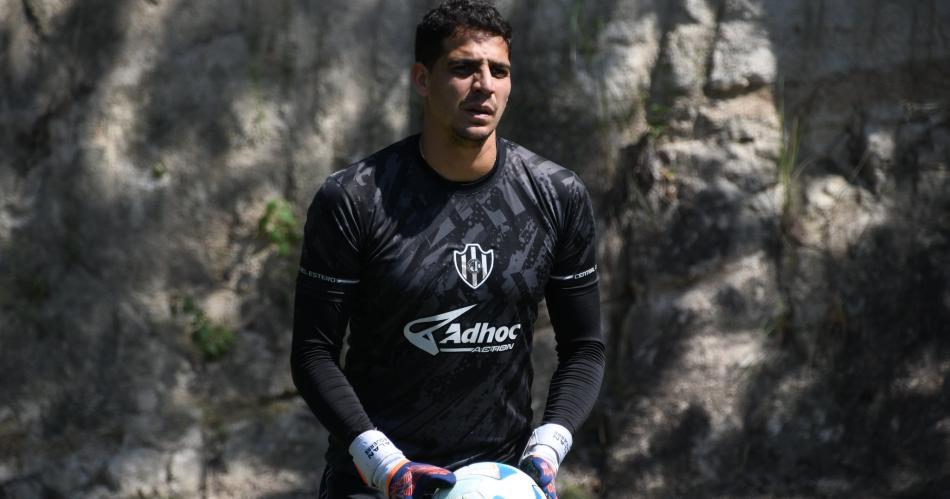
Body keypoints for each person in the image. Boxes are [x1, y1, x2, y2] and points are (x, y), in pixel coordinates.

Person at [291, 1, 605, 497]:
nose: (484, 85)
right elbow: (313, 352)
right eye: (463, 68)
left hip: (500, 483)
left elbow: (584, 348)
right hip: (377, 483)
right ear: (422, 79)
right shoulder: (355, 198)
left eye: (499, 71)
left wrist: (548, 446)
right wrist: (381, 461)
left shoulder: (557, 195)